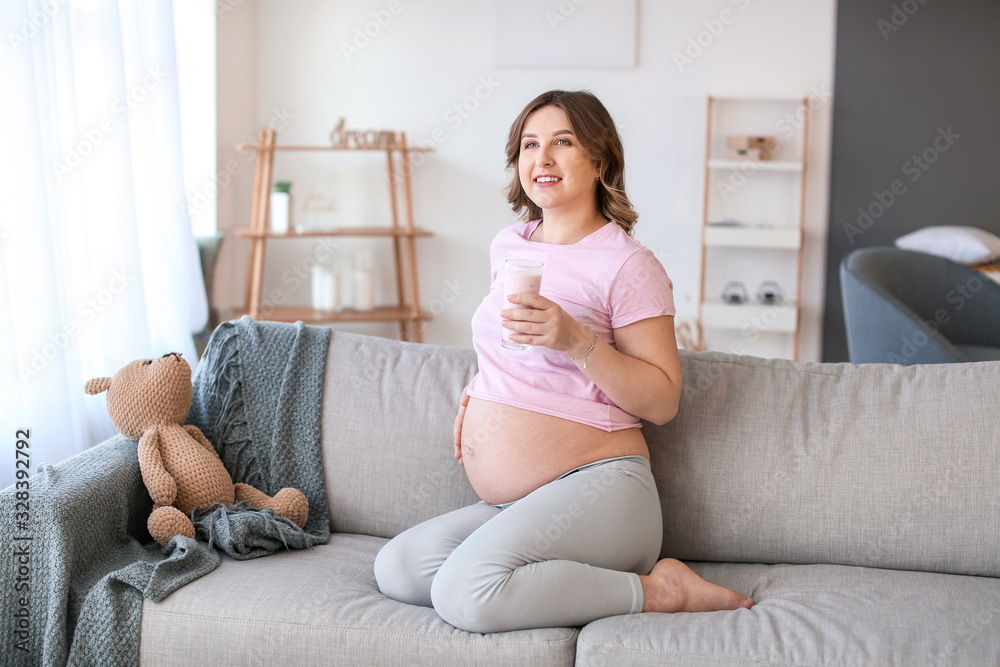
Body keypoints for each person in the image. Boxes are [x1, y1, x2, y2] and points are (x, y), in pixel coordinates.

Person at [374, 90, 754, 634]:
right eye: (530, 144)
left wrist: (576, 341)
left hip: (602, 489)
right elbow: (507, 351)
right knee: (400, 568)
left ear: (599, 160)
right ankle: (541, 575)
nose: (541, 159)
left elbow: (664, 399)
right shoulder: (509, 245)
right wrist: (478, 396)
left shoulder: (628, 265)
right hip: (522, 503)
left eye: (562, 142)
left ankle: (660, 590)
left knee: (465, 593)